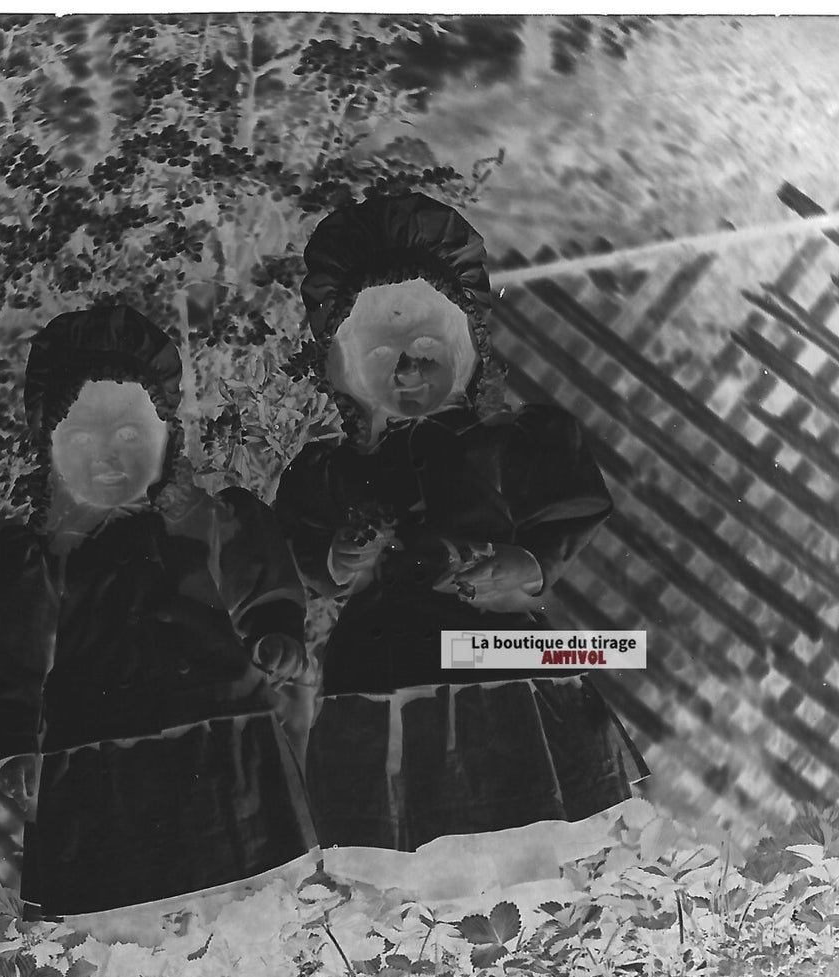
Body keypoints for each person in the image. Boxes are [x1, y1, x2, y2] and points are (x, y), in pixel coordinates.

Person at [275, 192, 649, 899]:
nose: (406, 371)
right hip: (381, 659)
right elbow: (298, 547)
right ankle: (427, 911)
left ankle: (527, 897)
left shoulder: (511, 440)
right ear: (345, 364)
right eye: (380, 354)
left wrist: (526, 561)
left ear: (469, 343)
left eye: (425, 349)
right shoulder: (333, 468)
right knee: (406, 802)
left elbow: (570, 503)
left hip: (493, 640)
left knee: (514, 786)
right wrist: (338, 561)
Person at [0, 305, 315, 939]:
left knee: (240, 875)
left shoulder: (208, 522)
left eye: (130, 434)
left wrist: (275, 632)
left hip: (219, 740)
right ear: (48, 445)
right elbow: (5, 655)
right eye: (82, 437)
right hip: (99, 753)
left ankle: (250, 963)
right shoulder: (37, 557)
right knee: (122, 895)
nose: (108, 455)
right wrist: (15, 743)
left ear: (167, 439)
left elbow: (262, 584)